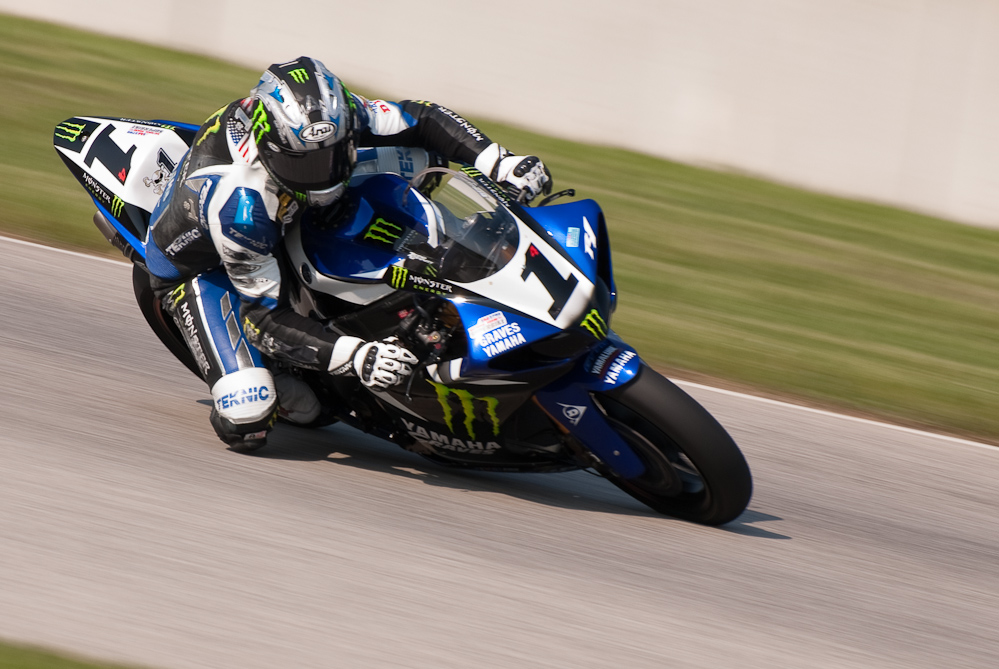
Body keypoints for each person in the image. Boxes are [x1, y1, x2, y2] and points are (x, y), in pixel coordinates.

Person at [143, 56, 553, 452]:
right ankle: (265, 377)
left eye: (334, 156)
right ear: (273, 149)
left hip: (288, 207)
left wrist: (499, 161)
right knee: (249, 414)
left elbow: (422, 117)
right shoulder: (241, 210)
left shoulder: (339, 115)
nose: (325, 176)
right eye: (309, 165)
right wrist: (356, 357)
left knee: (426, 156)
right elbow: (262, 318)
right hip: (204, 267)